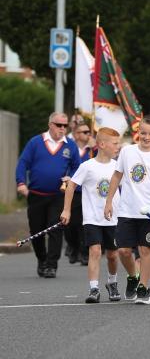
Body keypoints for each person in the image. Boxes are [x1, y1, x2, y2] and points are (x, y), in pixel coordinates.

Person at [103, 115, 150, 305]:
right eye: (143, 132)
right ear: (137, 132)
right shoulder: (127, 152)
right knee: (123, 250)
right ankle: (133, 276)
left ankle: (143, 287)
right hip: (126, 210)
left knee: (146, 250)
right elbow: (116, 177)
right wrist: (109, 202)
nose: (146, 137)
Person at [15, 112, 81, 278]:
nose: (62, 129)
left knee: (55, 229)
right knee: (36, 230)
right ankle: (42, 260)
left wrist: (70, 177)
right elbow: (23, 163)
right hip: (36, 195)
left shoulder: (70, 145)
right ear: (50, 124)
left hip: (58, 196)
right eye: (59, 125)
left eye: (65, 126)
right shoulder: (35, 142)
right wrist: (21, 183)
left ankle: (52, 265)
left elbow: (77, 167)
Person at [60, 127, 122, 303]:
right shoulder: (87, 166)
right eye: (115, 143)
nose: (118, 147)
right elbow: (71, 185)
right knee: (95, 251)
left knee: (112, 255)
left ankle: (112, 282)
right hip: (92, 218)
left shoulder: (118, 166)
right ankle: (94, 288)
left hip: (113, 218)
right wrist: (67, 209)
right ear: (102, 144)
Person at [64, 121, 93, 266]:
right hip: (73, 191)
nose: (88, 135)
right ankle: (73, 246)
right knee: (71, 224)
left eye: (89, 132)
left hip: (88, 192)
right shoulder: (69, 148)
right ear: (76, 134)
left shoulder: (92, 150)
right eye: (85, 132)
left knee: (85, 223)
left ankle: (84, 252)